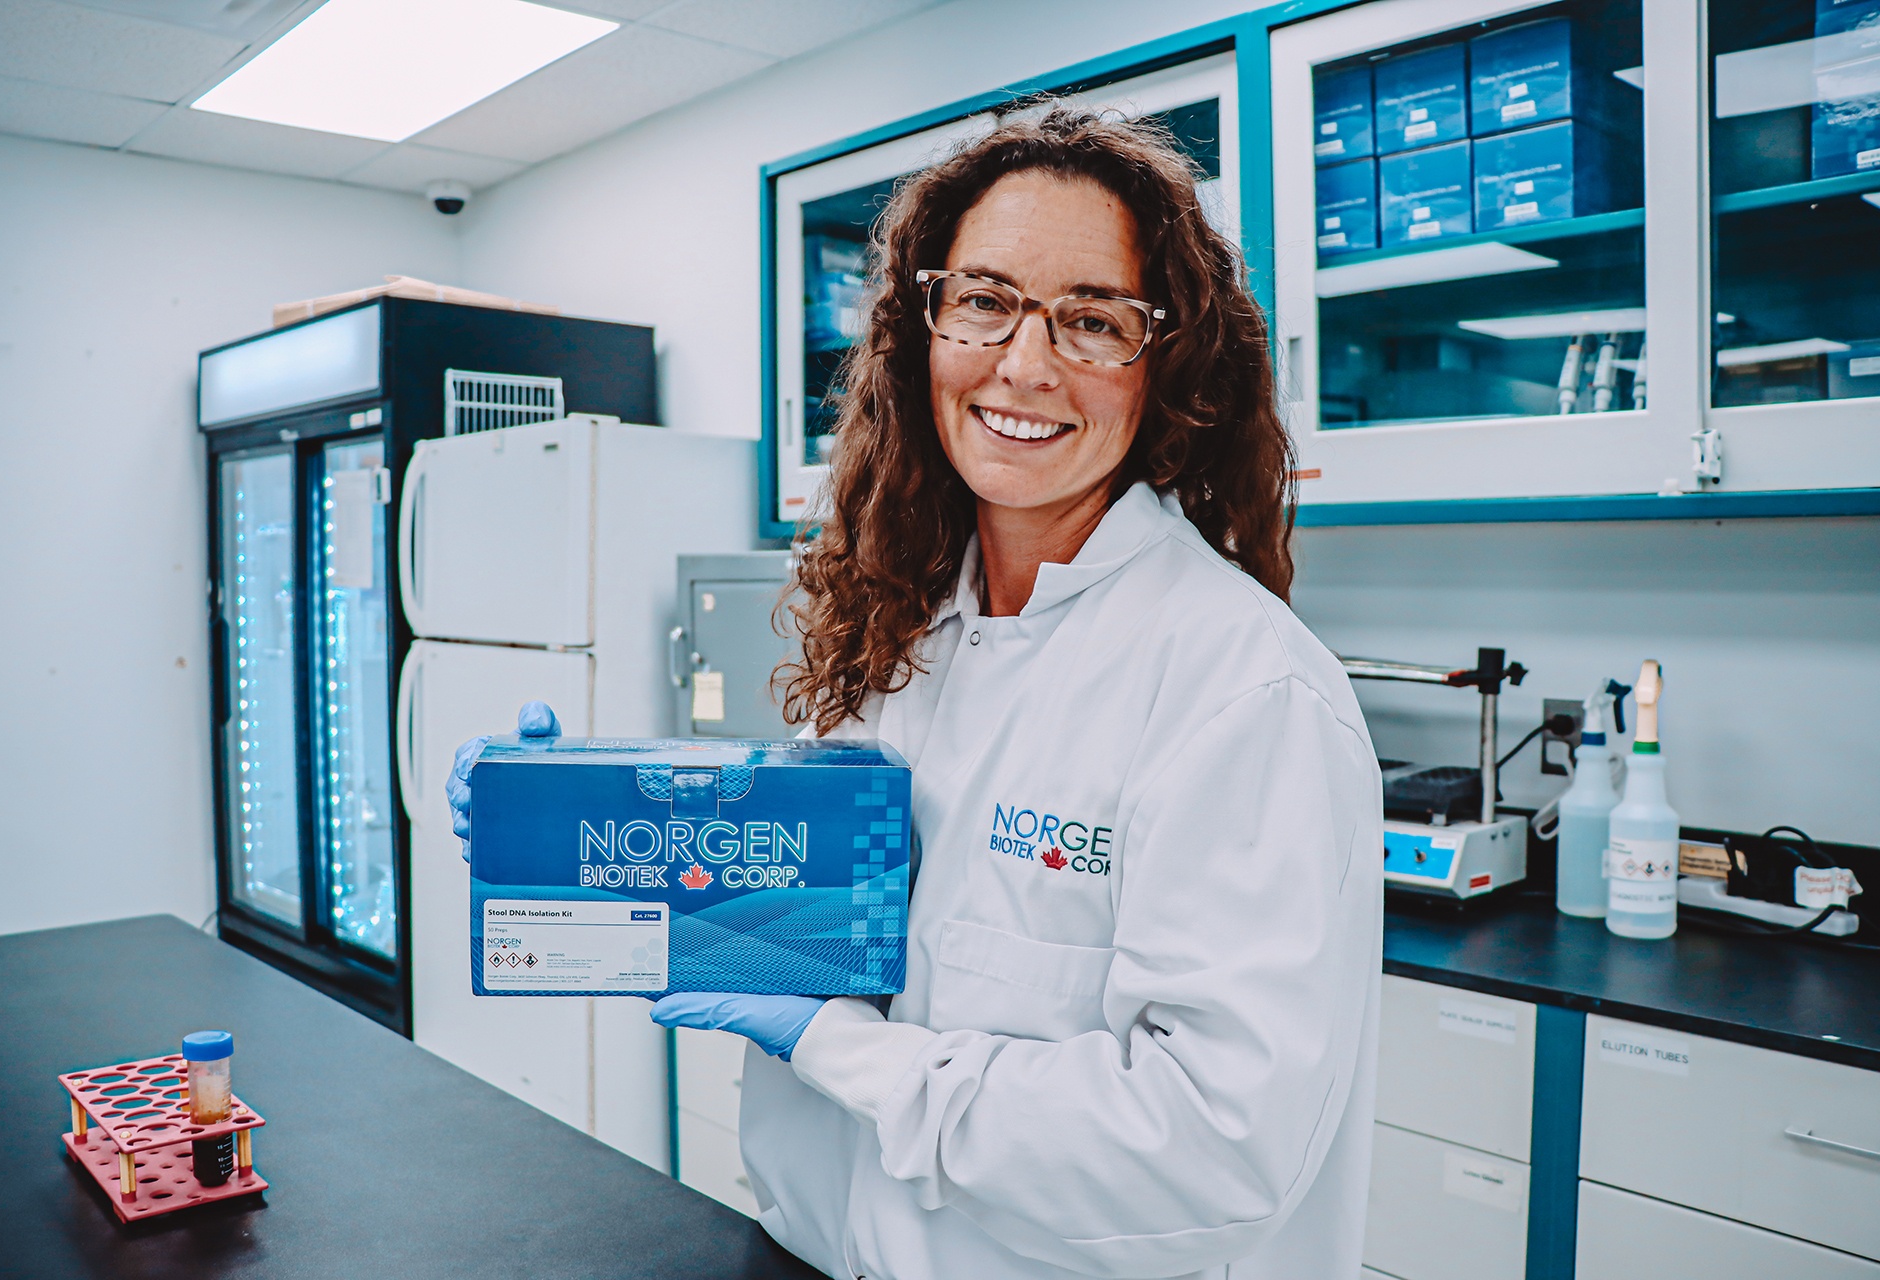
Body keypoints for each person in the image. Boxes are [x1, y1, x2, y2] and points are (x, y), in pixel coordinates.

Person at [450, 107, 1383, 1280]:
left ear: (1168, 369)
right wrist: (577, 840)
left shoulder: (1245, 692)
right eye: (985, 300)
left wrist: (845, 1049)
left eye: (1093, 319)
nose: (1025, 364)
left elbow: (1212, 1155)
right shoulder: (903, 622)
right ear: (923, 327)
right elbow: (807, 919)